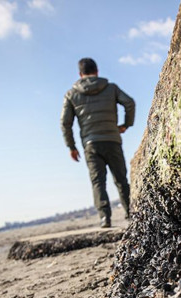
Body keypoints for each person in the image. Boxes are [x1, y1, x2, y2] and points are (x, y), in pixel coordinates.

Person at [61, 57, 135, 228]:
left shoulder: (71, 94)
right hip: (112, 139)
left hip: (91, 144)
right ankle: (130, 213)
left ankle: (105, 218)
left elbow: (65, 123)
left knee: (98, 182)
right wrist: (125, 125)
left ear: (80, 74)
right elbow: (129, 103)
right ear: (97, 71)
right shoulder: (111, 88)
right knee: (121, 179)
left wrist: (71, 147)